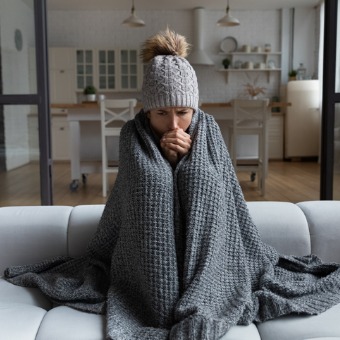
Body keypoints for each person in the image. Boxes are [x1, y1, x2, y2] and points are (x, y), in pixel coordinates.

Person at [4, 29, 340, 340]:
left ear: (194, 107)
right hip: (142, 257)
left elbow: (220, 195)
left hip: (212, 248)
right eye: (162, 113)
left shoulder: (209, 131)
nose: (174, 123)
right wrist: (168, 165)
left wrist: (188, 163)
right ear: (147, 111)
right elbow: (143, 192)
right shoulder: (131, 135)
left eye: (183, 111)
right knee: (154, 180)